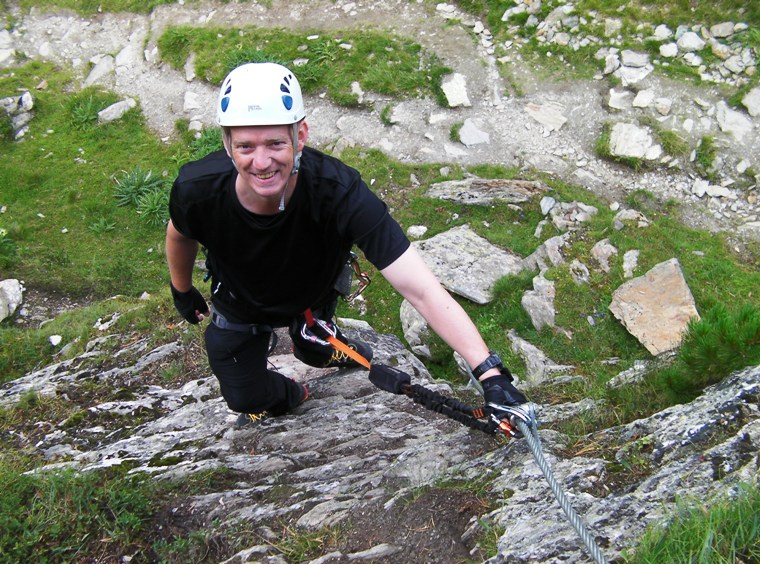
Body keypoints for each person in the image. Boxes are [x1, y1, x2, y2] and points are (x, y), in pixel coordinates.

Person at [166, 62, 529, 428]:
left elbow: (420, 288)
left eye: (275, 143)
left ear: (300, 136)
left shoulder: (340, 193)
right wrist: (181, 290)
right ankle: (294, 393)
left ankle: (318, 339)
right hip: (239, 302)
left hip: (311, 297)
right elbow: (180, 234)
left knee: (314, 346)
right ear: (228, 144)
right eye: (245, 146)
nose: (261, 162)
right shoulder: (198, 189)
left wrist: (490, 373)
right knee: (246, 397)